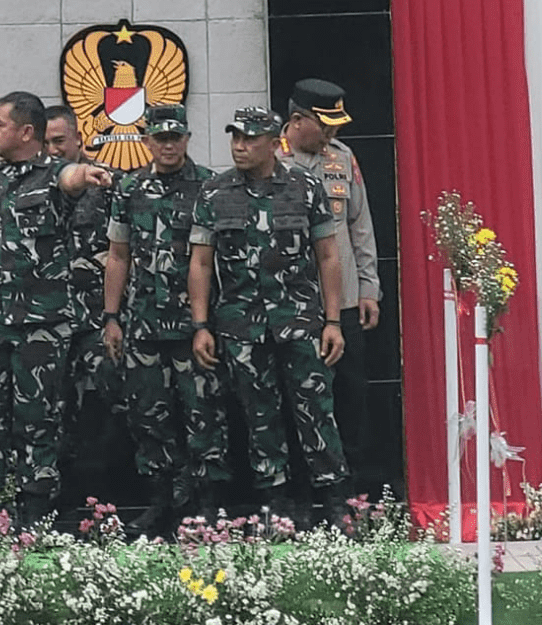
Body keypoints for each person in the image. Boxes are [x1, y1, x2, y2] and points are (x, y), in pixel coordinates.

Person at [0, 92, 114, 527]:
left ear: (26, 132)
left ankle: (36, 515)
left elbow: (71, 177)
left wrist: (87, 173)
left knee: (38, 420)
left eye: (0, 124)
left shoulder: (53, 178)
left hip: (41, 326)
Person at [188, 106, 349, 525]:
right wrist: (201, 325)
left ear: (274, 141)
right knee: (260, 416)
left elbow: (328, 256)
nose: (240, 146)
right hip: (242, 325)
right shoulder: (214, 192)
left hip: (299, 322)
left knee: (316, 411)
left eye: (250, 138)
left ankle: (332, 499)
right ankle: (275, 504)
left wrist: (333, 321)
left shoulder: (305, 187)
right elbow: (201, 264)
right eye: (235, 138)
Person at [102, 103, 216, 536]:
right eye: (159, 138)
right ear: (147, 141)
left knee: (203, 413)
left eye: (176, 138)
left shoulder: (209, 186)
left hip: (194, 325)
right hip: (144, 323)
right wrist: (112, 317)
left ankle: (205, 505)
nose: (168, 146)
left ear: (187, 139)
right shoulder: (129, 187)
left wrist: (207, 323)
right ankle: (160, 504)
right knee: (148, 417)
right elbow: (118, 255)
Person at [280, 78, 383, 498]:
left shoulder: (343, 158)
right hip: (291, 303)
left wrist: (369, 287)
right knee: (295, 400)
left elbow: (359, 224)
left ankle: (350, 492)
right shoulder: (274, 160)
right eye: (324, 125)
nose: (332, 134)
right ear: (298, 120)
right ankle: (302, 493)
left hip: (342, 300)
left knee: (350, 395)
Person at [44, 103, 130, 521]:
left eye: (59, 141)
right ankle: (56, 505)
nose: (53, 150)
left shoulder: (109, 184)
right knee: (51, 414)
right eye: (44, 143)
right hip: (48, 323)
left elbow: (130, 250)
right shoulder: (27, 188)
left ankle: (140, 499)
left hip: (99, 320)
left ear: (79, 139)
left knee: (125, 401)